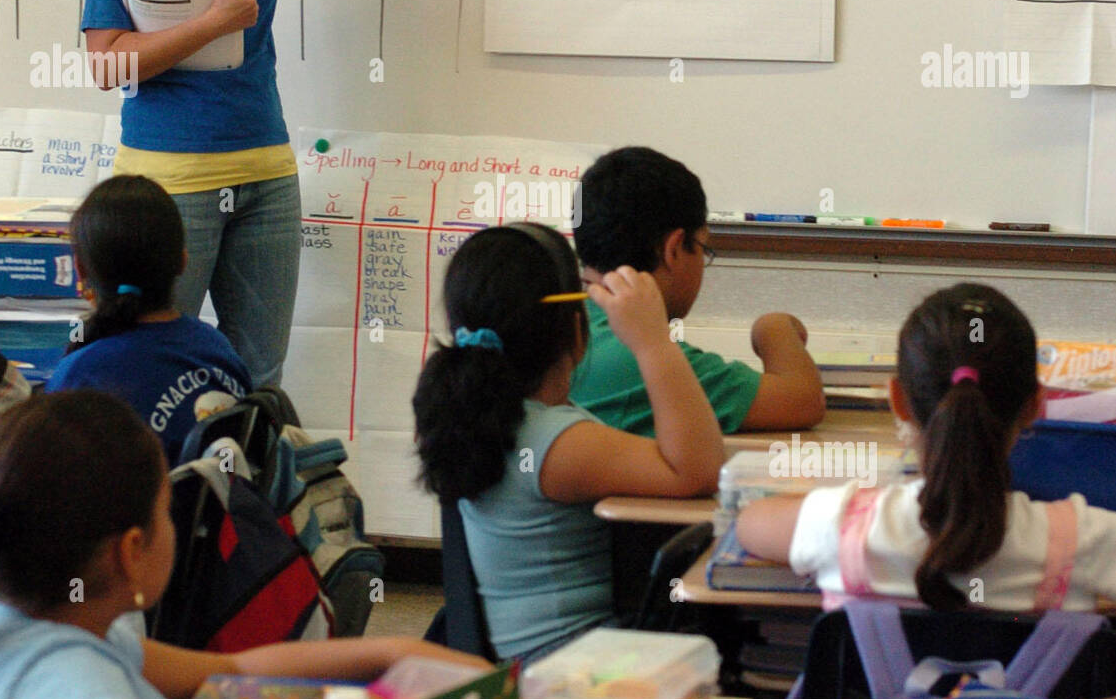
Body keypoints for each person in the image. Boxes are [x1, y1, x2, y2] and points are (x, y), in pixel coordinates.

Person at [82, 0, 565, 389]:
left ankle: (249, 485)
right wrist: (211, 24)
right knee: (150, 374)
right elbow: (104, 62)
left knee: (258, 378)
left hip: (267, 178)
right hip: (170, 189)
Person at [0, 390, 486, 699]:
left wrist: (388, 655)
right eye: (165, 511)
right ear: (131, 550)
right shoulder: (48, 668)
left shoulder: (57, 621)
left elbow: (229, 669)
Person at [412, 223, 724, 663]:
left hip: (541, 667)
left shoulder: (492, 420)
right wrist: (652, 340)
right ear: (575, 331)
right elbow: (698, 468)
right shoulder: (555, 443)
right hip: (574, 676)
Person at [737, 283, 1116, 610]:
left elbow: (749, 522)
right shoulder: (1087, 539)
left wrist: (852, 499)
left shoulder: (843, 524)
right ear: (1035, 405)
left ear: (897, 400)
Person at [569, 147, 825, 435]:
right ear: (674, 249)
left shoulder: (565, 324)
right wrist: (773, 328)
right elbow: (802, 400)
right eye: (703, 248)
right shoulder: (635, 353)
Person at [45, 175, 251, 467]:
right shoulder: (217, 346)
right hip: (224, 508)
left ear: (80, 271)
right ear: (182, 262)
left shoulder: (78, 377)